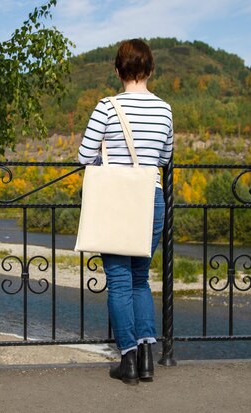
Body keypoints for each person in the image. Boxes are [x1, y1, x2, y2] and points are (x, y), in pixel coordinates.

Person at [78, 39, 173, 385]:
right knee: (140, 279)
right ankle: (149, 358)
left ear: (118, 71)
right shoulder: (165, 110)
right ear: (150, 70)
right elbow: (164, 157)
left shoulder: (106, 107)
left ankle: (129, 361)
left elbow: (84, 154)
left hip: (117, 202)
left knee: (118, 281)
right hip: (152, 200)